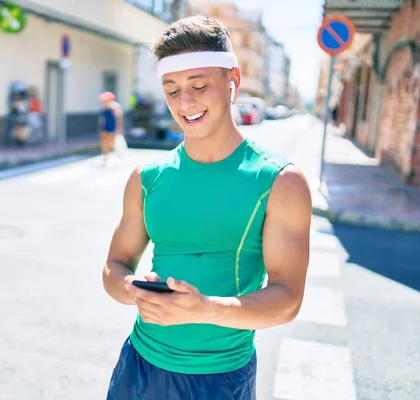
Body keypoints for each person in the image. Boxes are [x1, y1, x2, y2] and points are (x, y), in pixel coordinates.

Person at [102, 16, 312, 400]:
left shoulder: (279, 181)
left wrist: (204, 309)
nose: (185, 102)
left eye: (199, 85)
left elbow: (286, 300)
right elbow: (114, 266)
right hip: (137, 366)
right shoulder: (147, 177)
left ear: (233, 80)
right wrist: (137, 291)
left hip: (217, 378)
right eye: (172, 89)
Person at [98, 91, 124, 166]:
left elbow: (119, 119)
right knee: (104, 142)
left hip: (112, 127)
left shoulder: (115, 108)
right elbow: (102, 120)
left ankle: (115, 154)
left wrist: (119, 129)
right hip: (105, 127)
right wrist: (100, 129)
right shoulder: (104, 108)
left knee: (111, 142)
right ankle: (105, 157)